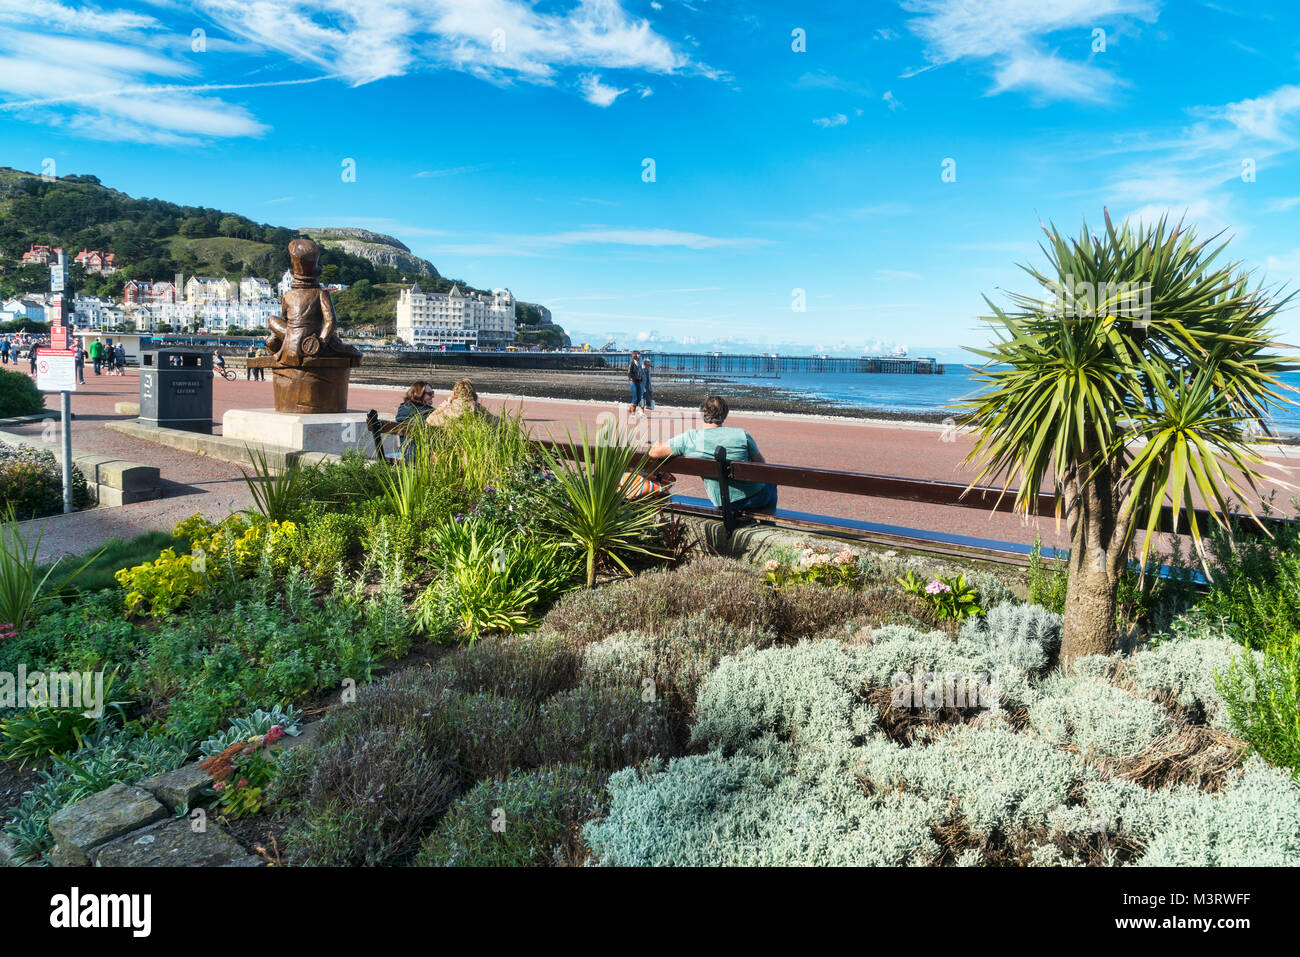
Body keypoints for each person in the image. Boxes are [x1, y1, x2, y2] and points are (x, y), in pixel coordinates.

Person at [648, 395, 777, 512]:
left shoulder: (689, 439)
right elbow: (761, 467)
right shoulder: (741, 435)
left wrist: (654, 444)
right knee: (771, 483)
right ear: (724, 415)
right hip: (754, 498)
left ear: (702, 414)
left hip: (722, 502)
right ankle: (769, 525)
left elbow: (654, 452)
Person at [427, 379, 497, 426]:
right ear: (473, 394)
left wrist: (446, 404)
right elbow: (499, 423)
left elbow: (429, 420)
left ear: (454, 394)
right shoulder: (479, 409)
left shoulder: (449, 411)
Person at [626, 350, 643, 416]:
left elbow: (638, 372)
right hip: (632, 382)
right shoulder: (632, 363)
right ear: (635, 355)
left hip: (638, 382)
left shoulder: (638, 362)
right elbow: (629, 374)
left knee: (638, 398)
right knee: (635, 398)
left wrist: (641, 377)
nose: (640, 355)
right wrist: (637, 377)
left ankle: (630, 408)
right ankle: (633, 412)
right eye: (638, 354)